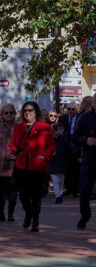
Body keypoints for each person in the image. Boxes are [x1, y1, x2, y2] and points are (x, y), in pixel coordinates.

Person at [10, 101, 55, 232]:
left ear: (36, 112)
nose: (27, 113)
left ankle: (35, 220)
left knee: (35, 195)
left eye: (30, 110)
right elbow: (12, 144)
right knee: (23, 195)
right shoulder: (18, 127)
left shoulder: (44, 127)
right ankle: (28, 213)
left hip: (38, 167)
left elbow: (51, 146)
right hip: (21, 165)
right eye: (25, 110)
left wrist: (45, 157)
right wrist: (14, 150)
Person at [0, 104, 18, 222]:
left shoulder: (18, 127)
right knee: (0, 191)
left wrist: (16, 154)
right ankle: (0, 213)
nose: (9, 115)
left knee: (12, 190)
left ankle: (11, 213)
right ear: (2, 115)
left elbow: (23, 144)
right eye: (6, 113)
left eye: (11, 112)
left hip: (13, 163)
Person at [73, 94, 96, 230]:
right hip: (89, 160)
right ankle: (85, 216)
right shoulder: (84, 117)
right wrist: (85, 140)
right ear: (92, 102)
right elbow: (75, 137)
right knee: (84, 191)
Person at [60, 102, 81, 198]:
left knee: (76, 169)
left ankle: (75, 190)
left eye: (73, 109)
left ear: (76, 109)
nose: (71, 111)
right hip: (66, 143)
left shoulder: (80, 118)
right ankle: (68, 188)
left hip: (76, 144)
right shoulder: (63, 118)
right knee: (67, 169)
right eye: (69, 109)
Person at [50, 123, 72, 204]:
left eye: (61, 129)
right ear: (54, 131)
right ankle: (58, 196)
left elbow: (70, 147)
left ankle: (60, 193)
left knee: (61, 180)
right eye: (58, 130)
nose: (60, 131)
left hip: (62, 162)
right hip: (53, 162)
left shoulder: (65, 139)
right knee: (55, 180)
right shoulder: (51, 139)